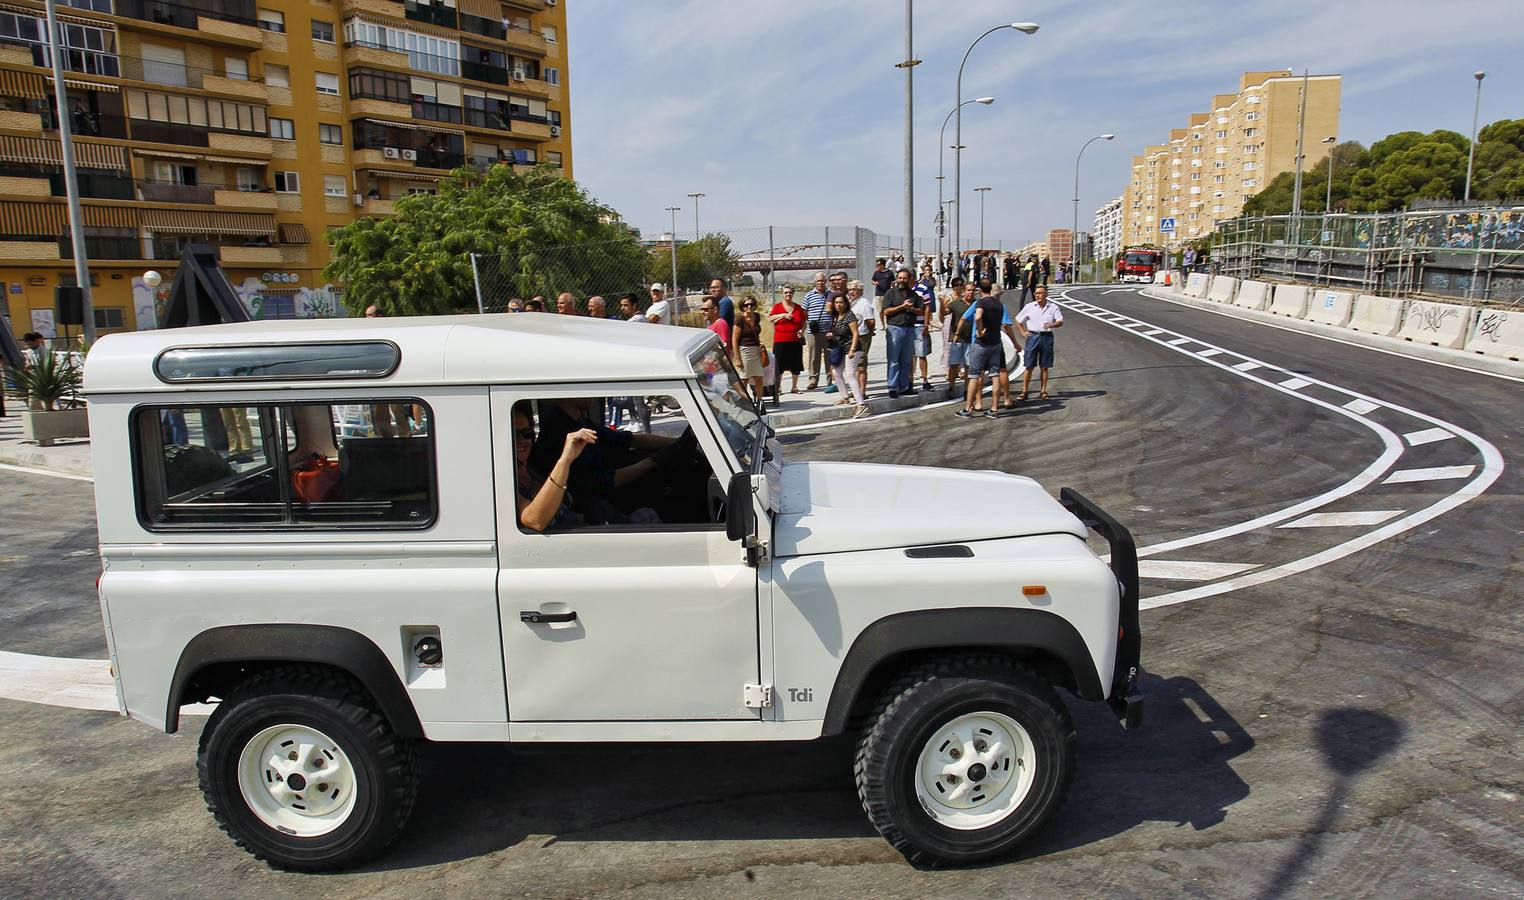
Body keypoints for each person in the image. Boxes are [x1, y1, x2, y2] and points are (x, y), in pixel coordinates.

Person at [514, 405, 594, 532]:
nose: (521, 440)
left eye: (526, 433)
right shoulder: (501, 480)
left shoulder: (533, 468)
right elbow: (535, 520)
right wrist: (565, 460)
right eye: (514, 435)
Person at [958, 278, 1012, 419]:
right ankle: (994, 409)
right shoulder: (999, 305)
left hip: (981, 344)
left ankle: (968, 408)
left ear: (979, 290)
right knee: (995, 375)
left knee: (974, 376)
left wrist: (980, 330)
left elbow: (978, 316)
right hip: (996, 343)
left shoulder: (980, 302)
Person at [1015, 285, 1064, 401]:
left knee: (1044, 366)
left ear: (1046, 294)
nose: (1037, 295)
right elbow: (1018, 320)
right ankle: (1024, 391)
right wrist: (1023, 332)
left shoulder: (1053, 307)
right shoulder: (1029, 307)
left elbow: (1060, 321)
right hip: (1033, 337)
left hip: (1046, 337)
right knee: (1029, 365)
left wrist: (1051, 325)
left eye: (1040, 293)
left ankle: (1043, 391)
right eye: (1036, 293)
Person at [824, 292, 868, 418]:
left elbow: (855, 334)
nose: (838, 305)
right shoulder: (836, 316)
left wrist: (853, 349)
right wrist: (831, 335)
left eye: (841, 302)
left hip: (852, 349)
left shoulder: (849, 316)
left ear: (845, 303)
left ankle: (861, 404)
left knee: (850, 375)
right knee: (836, 373)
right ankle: (845, 397)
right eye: (836, 302)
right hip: (841, 349)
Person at [880, 267, 920, 398]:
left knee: (906, 360)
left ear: (909, 279)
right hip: (895, 328)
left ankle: (904, 386)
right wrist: (902, 307)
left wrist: (912, 308)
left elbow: (921, 310)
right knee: (893, 360)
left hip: (909, 329)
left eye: (905, 278)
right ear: (897, 278)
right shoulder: (890, 293)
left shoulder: (913, 295)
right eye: (900, 277)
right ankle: (892, 387)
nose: (902, 280)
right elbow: (886, 311)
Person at [767, 286, 806, 393]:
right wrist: (783, 315)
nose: (788, 294)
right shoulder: (777, 307)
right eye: (786, 293)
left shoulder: (798, 308)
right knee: (779, 364)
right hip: (780, 340)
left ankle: (794, 387)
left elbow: (803, 322)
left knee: (796, 364)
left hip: (795, 340)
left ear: (793, 293)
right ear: (782, 294)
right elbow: (770, 318)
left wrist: (802, 331)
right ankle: (778, 387)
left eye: (790, 292)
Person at [731, 298, 766, 408]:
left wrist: (759, 343)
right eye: (746, 305)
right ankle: (744, 402)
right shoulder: (739, 320)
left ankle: (760, 401)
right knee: (744, 378)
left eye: (751, 304)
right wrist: (737, 358)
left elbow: (756, 333)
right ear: (742, 306)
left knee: (759, 377)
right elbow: (734, 340)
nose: (749, 307)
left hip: (756, 350)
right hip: (744, 350)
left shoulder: (757, 317)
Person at [940, 277, 971, 398]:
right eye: (957, 285)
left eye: (961, 285)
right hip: (952, 330)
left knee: (968, 364)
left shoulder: (971, 301)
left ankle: (967, 389)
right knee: (951, 357)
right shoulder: (951, 300)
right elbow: (943, 314)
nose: (959, 287)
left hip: (968, 336)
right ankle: (951, 384)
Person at [847, 280, 876, 401]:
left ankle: (862, 391)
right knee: (854, 365)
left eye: (854, 289)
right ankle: (856, 390)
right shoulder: (852, 303)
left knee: (861, 365)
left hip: (862, 336)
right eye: (850, 290)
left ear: (861, 290)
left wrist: (869, 332)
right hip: (853, 337)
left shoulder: (864, 303)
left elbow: (870, 321)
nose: (851, 292)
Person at [802, 273, 830, 390]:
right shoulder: (809, 295)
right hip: (813, 332)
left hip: (828, 331)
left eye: (822, 281)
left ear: (826, 281)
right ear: (815, 282)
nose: (820, 283)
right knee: (814, 357)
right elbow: (804, 312)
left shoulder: (831, 295)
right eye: (818, 281)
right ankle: (813, 380)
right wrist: (811, 323)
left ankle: (831, 380)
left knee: (829, 356)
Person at [913, 264, 937, 392]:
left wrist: (926, 325)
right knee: (911, 356)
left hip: (919, 326)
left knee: (921, 354)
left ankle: (925, 380)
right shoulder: (901, 290)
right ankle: (910, 380)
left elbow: (927, 308)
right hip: (907, 327)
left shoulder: (923, 288)